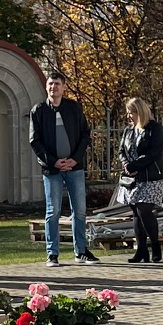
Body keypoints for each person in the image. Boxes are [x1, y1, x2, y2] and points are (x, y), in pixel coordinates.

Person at [30, 72, 98, 266]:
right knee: (53, 211)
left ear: (64, 87)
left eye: (57, 84)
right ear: (46, 87)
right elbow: (35, 141)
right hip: (52, 171)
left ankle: (81, 252)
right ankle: (52, 254)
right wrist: (53, 162)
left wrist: (75, 160)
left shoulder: (73, 108)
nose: (54, 88)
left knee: (80, 210)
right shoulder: (39, 111)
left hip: (74, 168)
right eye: (50, 84)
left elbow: (85, 134)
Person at [116, 98, 163, 264]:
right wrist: (126, 164)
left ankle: (155, 245)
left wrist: (135, 165)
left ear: (140, 112)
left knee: (144, 210)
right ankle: (141, 250)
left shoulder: (154, 129)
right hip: (132, 178)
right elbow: (120, 151)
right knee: (136, 212)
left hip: (150, 177)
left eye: (132, 112)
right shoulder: (128, 131)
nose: (129, 116)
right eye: (128, 112)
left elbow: (154, 153)